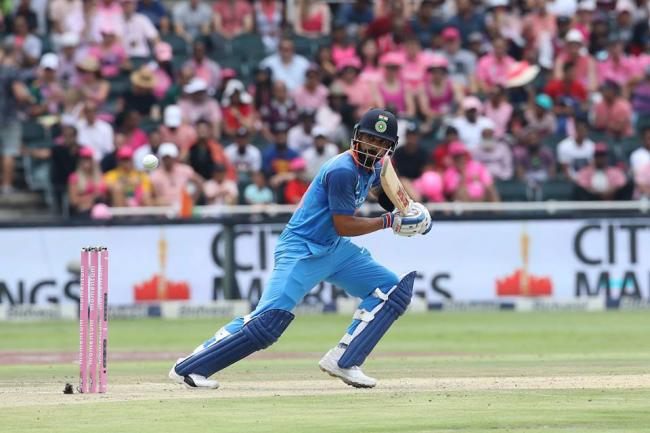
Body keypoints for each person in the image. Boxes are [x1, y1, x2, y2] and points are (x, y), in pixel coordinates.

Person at [169, 108, 431, 390]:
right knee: (266, 323)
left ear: (390, 146)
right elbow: (344, 224)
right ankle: (189, 368)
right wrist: (390, 221)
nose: (373, 147)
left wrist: (413, 212)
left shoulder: (379, 165)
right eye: (369, 139)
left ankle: (345, 360)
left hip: (333, 248)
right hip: (302, 248)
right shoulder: (342, 170)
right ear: (357, 136)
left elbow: (384, 193)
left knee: (392, 291)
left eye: (381, 143)